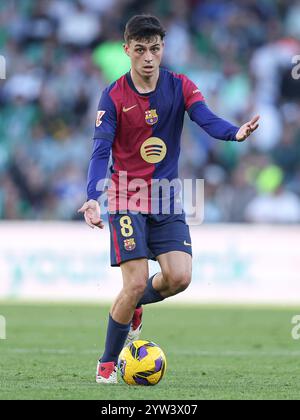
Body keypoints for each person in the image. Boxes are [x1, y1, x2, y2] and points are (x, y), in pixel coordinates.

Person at [78, 14, 259, 384]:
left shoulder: (180, 86)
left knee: (179, 277)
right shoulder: (113, 95)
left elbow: (204, 117)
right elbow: (100, 152)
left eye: (155, 49)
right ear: (127, 50)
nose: (148, 57)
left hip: (165, 198)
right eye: (140, 50)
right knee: (132, 283)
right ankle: (108, 363)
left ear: (163, 50)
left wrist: (233, 133)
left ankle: (135, 306)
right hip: (126, 195)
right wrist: (92, 198)